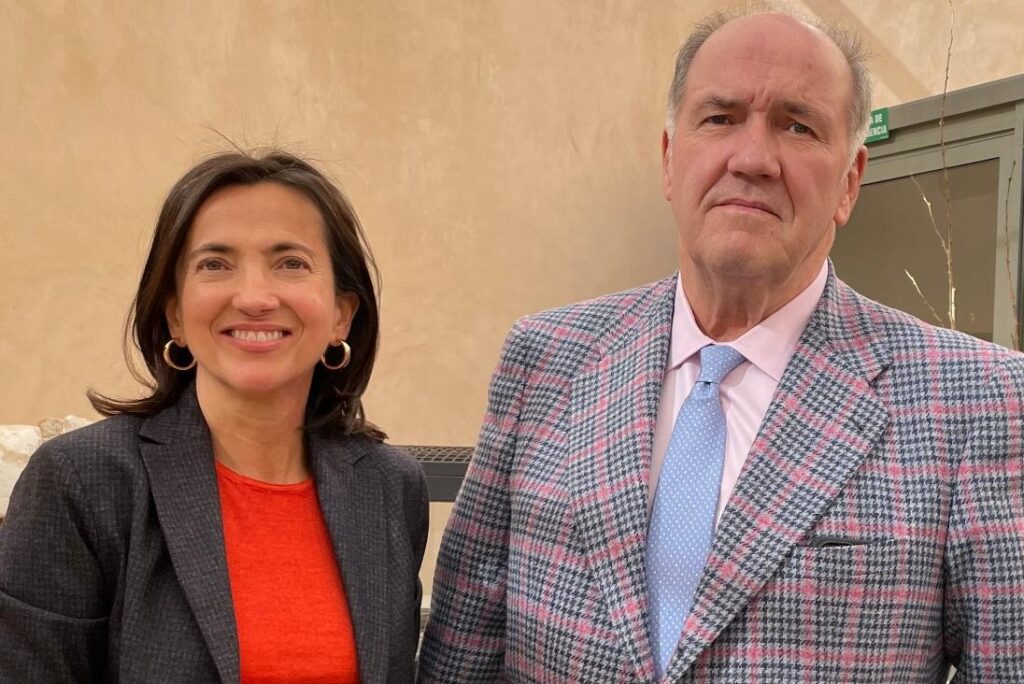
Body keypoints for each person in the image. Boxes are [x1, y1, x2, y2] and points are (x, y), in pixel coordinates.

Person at [419, 9, 1024, 683]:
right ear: (669, 159)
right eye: (720, 118)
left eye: (798, 125)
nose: (753, 158)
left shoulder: (979, 401)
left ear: (850, 181)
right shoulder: (546, 359)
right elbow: (462, 652)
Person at [0, 150, 429, 682]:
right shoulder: (84, 482)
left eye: (291, 263)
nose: (254, 297)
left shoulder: (390, 488)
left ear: (342, 314)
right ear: (175, 315)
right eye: (215, 264)